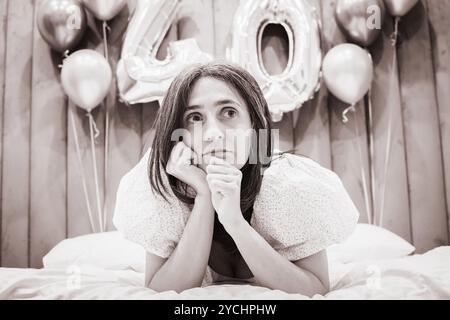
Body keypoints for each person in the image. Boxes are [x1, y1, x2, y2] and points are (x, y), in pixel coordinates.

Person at [113, 62, 359, 297]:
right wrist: (204, 196)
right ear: (180, 134)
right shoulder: (165, 188)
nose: (213, 134)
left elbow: (315, 289)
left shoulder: (289, 187)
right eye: (195, 118)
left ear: (254, 125)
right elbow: (161, 290)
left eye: (229, 112)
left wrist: (235, 222)